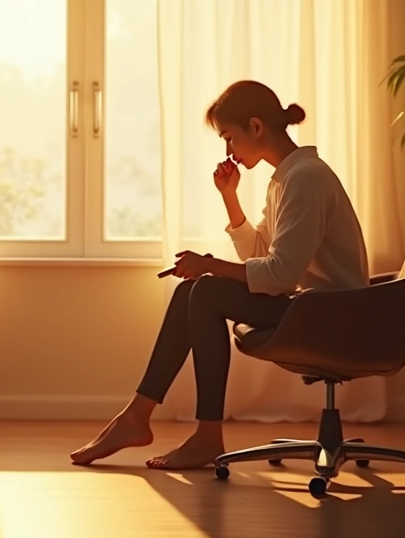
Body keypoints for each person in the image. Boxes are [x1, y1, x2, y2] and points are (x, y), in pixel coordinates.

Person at [69, 79, 370, 470]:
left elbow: (279, 275)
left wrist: (210, 264)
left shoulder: (305, 179)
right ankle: (138, 417)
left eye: (229, 137)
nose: (228, 149)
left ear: (256, 127)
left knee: (207, 291)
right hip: (312, 307)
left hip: (332, 317)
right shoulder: (287, 178)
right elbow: (263, 254)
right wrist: (230, 197)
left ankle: (202, 435)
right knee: (195, 290)